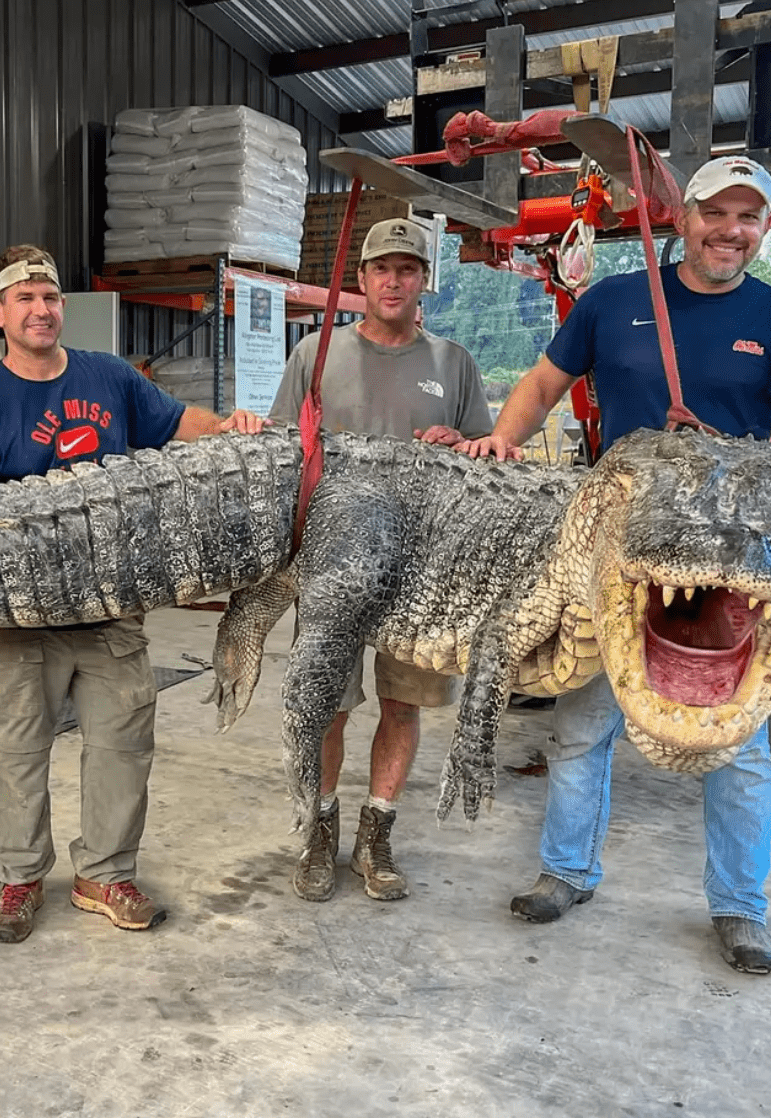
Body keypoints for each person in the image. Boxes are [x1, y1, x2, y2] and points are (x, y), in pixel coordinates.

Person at [457, 155, 771, 974]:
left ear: (764, 230)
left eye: (749, 219)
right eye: (716, 214)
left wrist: (743, 471)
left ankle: (740, 908)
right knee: (582, 720)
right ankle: (566, 872)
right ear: (682, 218)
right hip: (620, 556)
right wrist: (503, 440)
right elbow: (544, 382)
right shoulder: (615, 302)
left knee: (739, 747)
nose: (731, 231)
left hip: (731, 558)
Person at [0, 244, 266, 944]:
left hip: (110, 606)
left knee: (123, 741)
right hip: (20, 617)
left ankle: (105, 871)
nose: (41, 308)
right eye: (24, 298)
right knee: (19, 749)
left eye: (50, 296)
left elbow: (180, 423)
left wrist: (232, 425)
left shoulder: (111, 377)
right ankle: (20, 877)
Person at [270, 218, 495, 904]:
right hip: (333, 562)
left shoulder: (453, 363)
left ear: (424, 279)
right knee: (328, 706)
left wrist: (460, 442)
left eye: (407, 268)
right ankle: (320, 829)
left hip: (423, 572)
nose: (393, 280)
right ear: (361, 279)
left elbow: (485, 460)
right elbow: (283, 455)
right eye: (381, 268)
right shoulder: (316, 354)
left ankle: (377, 832)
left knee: (404, 704)